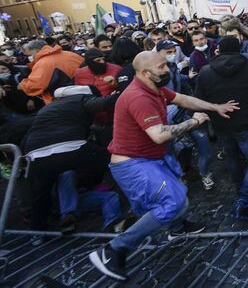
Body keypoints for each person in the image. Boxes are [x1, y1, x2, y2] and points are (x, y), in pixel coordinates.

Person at [88, 51, 239, 281]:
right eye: (162, 67)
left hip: (149, 160)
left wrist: (214, 107)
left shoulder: (154, 87)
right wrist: (194, 121)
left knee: (180, 197)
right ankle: (113, 250)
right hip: (132, 164)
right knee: (174, 201)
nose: (167, 69)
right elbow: (158, 135)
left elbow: (182, 99)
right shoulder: (139, 97)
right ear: (146, 73)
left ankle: (176, 230)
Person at [24, 85, 119, 234]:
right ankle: (121, 215)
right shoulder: (82, 98)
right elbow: (102, 104)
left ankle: (37, 233)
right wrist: (117, 94)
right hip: (70, 147)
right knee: (116, 160)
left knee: (41, 195)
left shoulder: (47, 108)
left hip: (36, 155)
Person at [195, 37, 248, 219]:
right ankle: (244, 197)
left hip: (221, 124)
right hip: (246, 123)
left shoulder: (206, 71)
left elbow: (199, 98)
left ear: (219, 50)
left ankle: (241, 190)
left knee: (232, 159)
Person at [19, 39, 83, 104]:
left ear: (37, 51)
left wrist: (22, 85)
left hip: (65, 100)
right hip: (85, 91)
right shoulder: (70, 54)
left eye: (30, 54)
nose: (30, 57)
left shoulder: (42, 64)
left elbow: (35, 85)